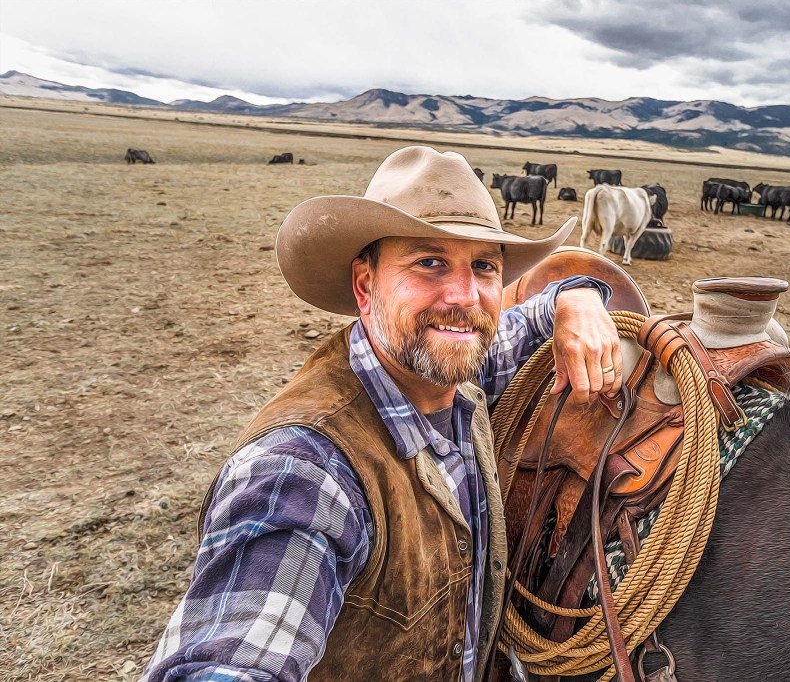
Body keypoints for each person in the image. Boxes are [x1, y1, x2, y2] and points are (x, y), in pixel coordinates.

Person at [139, 145, 623, 682]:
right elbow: (231, 660)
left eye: (483, 265)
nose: (464, 296)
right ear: (365, 285)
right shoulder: (306, 470)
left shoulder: (452, 368)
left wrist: (576, 298)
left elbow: (522, 319)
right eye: (429, 262)